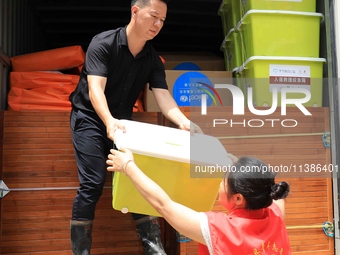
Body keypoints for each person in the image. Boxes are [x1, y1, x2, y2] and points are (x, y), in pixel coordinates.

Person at [68, 0, 203, 254]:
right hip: (89, 118)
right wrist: (108, 121)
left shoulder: (152, 59)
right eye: (154, 16)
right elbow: (96, 90)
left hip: (123, 125)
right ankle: (81, 251)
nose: (158, 24)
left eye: (162, 20)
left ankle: (153, 247)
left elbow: (163, 96)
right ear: (135, 11)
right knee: (93, 183)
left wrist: (184, 121)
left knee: (137, 178)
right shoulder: (103, 43)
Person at [106, 149, 292, 255]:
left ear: (238, 198)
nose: (219, 183)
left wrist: (127, 166)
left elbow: (163, 205)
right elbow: (266, 184)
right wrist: (236, 165)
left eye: (223, 181)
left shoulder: (219, 230)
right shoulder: (276, 211)